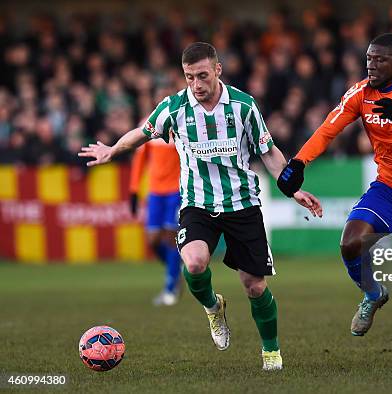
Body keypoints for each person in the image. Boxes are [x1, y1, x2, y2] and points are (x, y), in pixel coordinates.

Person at [80, 42, 323, 371]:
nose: (196, 84)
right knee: (194, 263)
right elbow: (142, 133)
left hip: (242, 203)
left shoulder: (243, 106)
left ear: (218, 71)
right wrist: (112, 150)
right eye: (189, 77)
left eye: (203, 76)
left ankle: (271, 352)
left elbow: (269, 153)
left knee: (254, 285)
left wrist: (293, 190)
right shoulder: (175, 107)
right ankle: (213, 308)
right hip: (196, 203)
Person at [277, 33, 392, 363]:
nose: (371, 65)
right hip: (390, 187)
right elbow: (329, 128)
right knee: (350, 243)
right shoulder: (361, 92)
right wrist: (299, 161)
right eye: (369, 58)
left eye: (380, 59)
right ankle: (374, 294)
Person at [129, 134, 182, 306]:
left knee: (171, 237)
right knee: (152, 240)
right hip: (155, 193)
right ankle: (176, 270)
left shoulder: (179, 120)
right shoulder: (149, 124)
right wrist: (134, 190)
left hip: (176, 190)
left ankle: (170, 288)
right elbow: (140, 160)